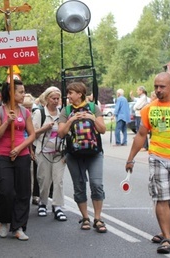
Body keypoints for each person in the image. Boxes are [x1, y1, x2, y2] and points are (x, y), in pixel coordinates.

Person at [125, 72, 170, 254]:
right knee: (161, 197)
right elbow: (141, 135)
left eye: (162, 86)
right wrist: (130, 158)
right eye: (156, 86)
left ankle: (168, 230)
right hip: (157, 157)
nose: (158, 90)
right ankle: (166, 238)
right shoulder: (148, 109)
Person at [57, 82, 107, 233]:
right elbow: (61, 133)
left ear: (80, 94)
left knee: (96, 184)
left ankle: (98, 218)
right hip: (74, 154)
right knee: (79, 186)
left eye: (71, 93)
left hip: (94, 153)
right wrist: (71, 120)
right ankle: (85, 217)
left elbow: (103, 130)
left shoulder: (93, 108)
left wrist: (93, 118)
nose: (69, 96)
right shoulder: (66, 111)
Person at [0, 80, 35, 241]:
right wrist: (7, 122)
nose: (23, 95)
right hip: (3, 156)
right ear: (11, 93)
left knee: (23, 193)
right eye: (20, 92)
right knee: (5, 191)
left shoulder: (25, 112)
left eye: (24, 92)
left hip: (21, 156)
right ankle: (4, 220)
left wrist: (19, 148)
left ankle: (18, 227)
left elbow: (32, 134)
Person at [32, 87, 67, 221]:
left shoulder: (62, 113)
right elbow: (32, 134)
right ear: (47, 99)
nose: (56, 101)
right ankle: (43, 203)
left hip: (59, 153)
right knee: (44, 179)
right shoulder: (39, 113)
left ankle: (57, 206)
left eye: (58, 98)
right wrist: (44, 128)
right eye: (53, 98)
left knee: (58, 180)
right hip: (43, 152)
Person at [132, 86, 149, 150]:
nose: (137, 91)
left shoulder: (143, 98)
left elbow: (136, 106)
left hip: (140, 115)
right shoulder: (141, 98)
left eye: (138, 90)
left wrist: (135, 107)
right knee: (139, 131)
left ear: (141, 91)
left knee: (142, 131)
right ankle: (142, 145)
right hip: (138, 114)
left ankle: (145, 146)